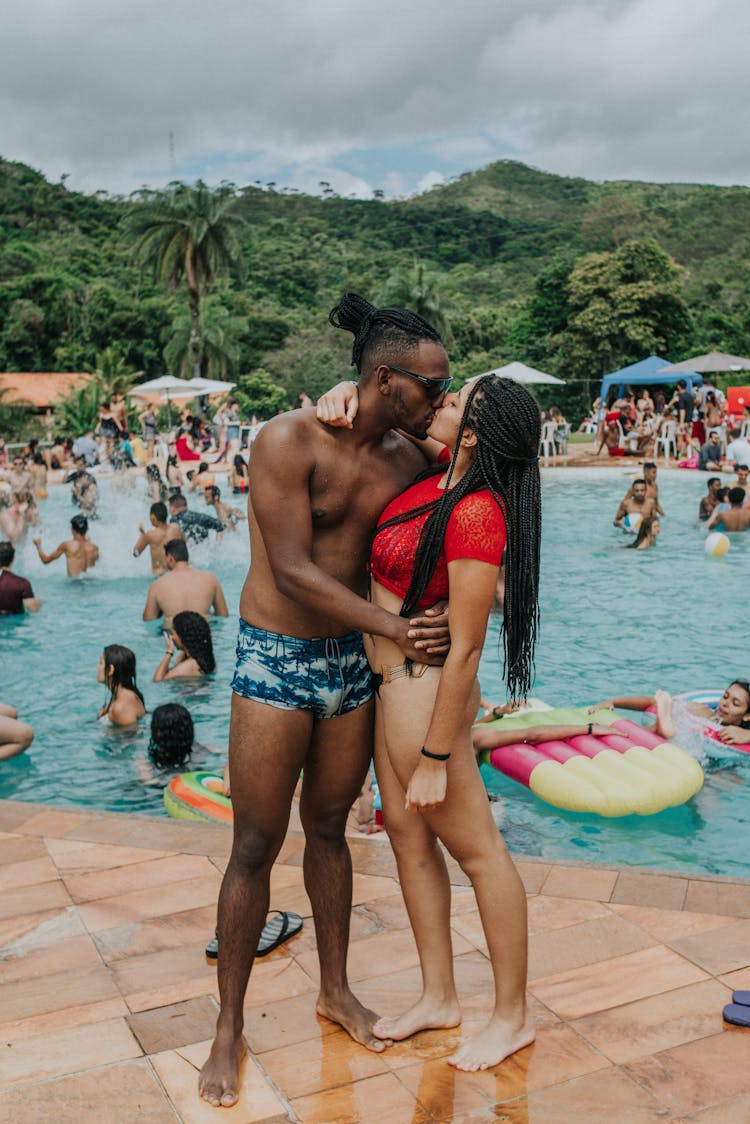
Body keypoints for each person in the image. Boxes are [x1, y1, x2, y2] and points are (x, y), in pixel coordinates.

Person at [198, 293, 454, 1108]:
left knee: (331, 832)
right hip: (276, 657)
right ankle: (229, 1028)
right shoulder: (286, 439)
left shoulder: (411, 460)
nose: (439, 401)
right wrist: (398, 628)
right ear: (386, 378)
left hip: (349, 664)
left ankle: (334, 989)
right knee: (253, 843)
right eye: (430, 389)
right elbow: (294, 569)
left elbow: (484, 463)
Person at [590, 682, 750, 747]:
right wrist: (613, 701)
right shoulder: (703, 711)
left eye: (735, 703)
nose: (725, 703)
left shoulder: (744, 735)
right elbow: (650, 702)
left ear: (747, 715)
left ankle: (662, 729)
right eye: (725, 696)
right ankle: (663, 729)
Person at [142, 539, 228, 628]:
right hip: (203, 635)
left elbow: (149, 620)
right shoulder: (211, 579)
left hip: (173, 636)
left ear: (170, 558)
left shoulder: (157, 585)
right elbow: (223, 615)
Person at [153, 610, 216, 680]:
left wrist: (169, 652)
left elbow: (158, 681)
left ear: (182, 637)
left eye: (173, 633)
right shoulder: (205, 658)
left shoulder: (188, 666)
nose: (171, 637)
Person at [97, 644, 147, 727]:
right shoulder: (119, 697)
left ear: (110, 670)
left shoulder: (121, 707)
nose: (97, 667)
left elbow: (131, 738)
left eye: (101, 663)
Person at [34, 515, 99, 577]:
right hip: (91, 583)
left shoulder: (67, 545)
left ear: (72, 529)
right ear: (87, 528)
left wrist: (38, 545)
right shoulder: (94, 548)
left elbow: (45, 560)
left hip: (73, 585)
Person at [132, 502, 184, 574]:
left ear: (153, 517)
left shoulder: (149, 535)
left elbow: (136, 553)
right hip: (176, 572)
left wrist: (142, 534)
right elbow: (184, 544)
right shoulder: (176, 528)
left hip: (159, 575)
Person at [0, 541, 42, 613]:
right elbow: (33, 609)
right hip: (15, 623)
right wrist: (40, 603)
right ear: (13, 559)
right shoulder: (22, 584)